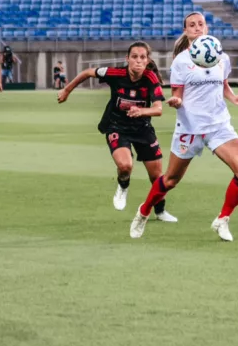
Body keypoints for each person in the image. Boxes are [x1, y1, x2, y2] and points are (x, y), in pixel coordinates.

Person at [130, 12, 238, 242]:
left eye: (201, 24)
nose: (197, 28)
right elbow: (177, 95)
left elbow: (223, 84)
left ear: (206, 27)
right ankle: (144, 211)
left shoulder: (221, 56)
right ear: (186, 31)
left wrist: (235, 99)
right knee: (170, 180)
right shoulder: (181, 61)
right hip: (190, 127)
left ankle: (223, 219)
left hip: (218, 125)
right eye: (192, 25)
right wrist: (176, 101)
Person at [57, 42, 176, 222]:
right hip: (117, 127)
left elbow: (158, 109)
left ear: (147, 60)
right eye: (134, 57)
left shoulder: (151, 78)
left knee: (157, 177)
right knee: (125, 166)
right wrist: (67, 90)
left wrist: (142, 111)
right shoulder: (115, 74)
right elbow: (88, 72)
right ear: (127, 59)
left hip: (143, 129)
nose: (138, 61)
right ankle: (123, 185)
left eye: (142, 57)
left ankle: (160, 211)